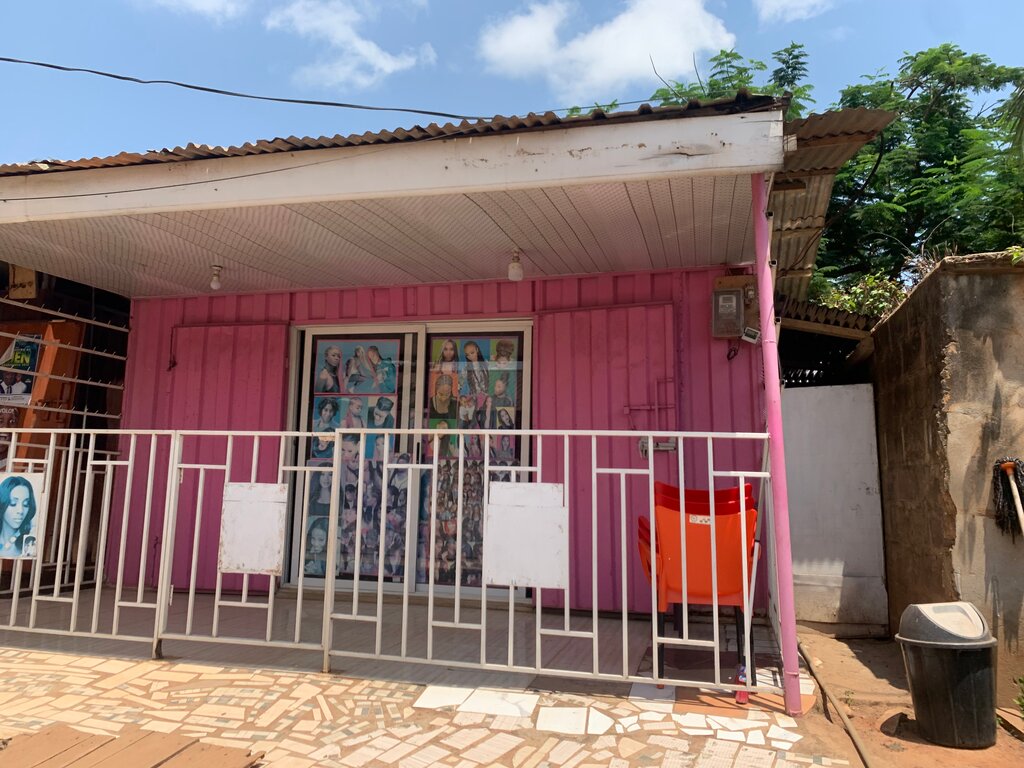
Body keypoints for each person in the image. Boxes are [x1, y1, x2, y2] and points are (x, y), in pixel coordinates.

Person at [0, 475, 36, 557]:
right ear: (2, 504)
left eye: (26, 504)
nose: (20, 511)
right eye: (13, 503)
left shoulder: (28, 544)